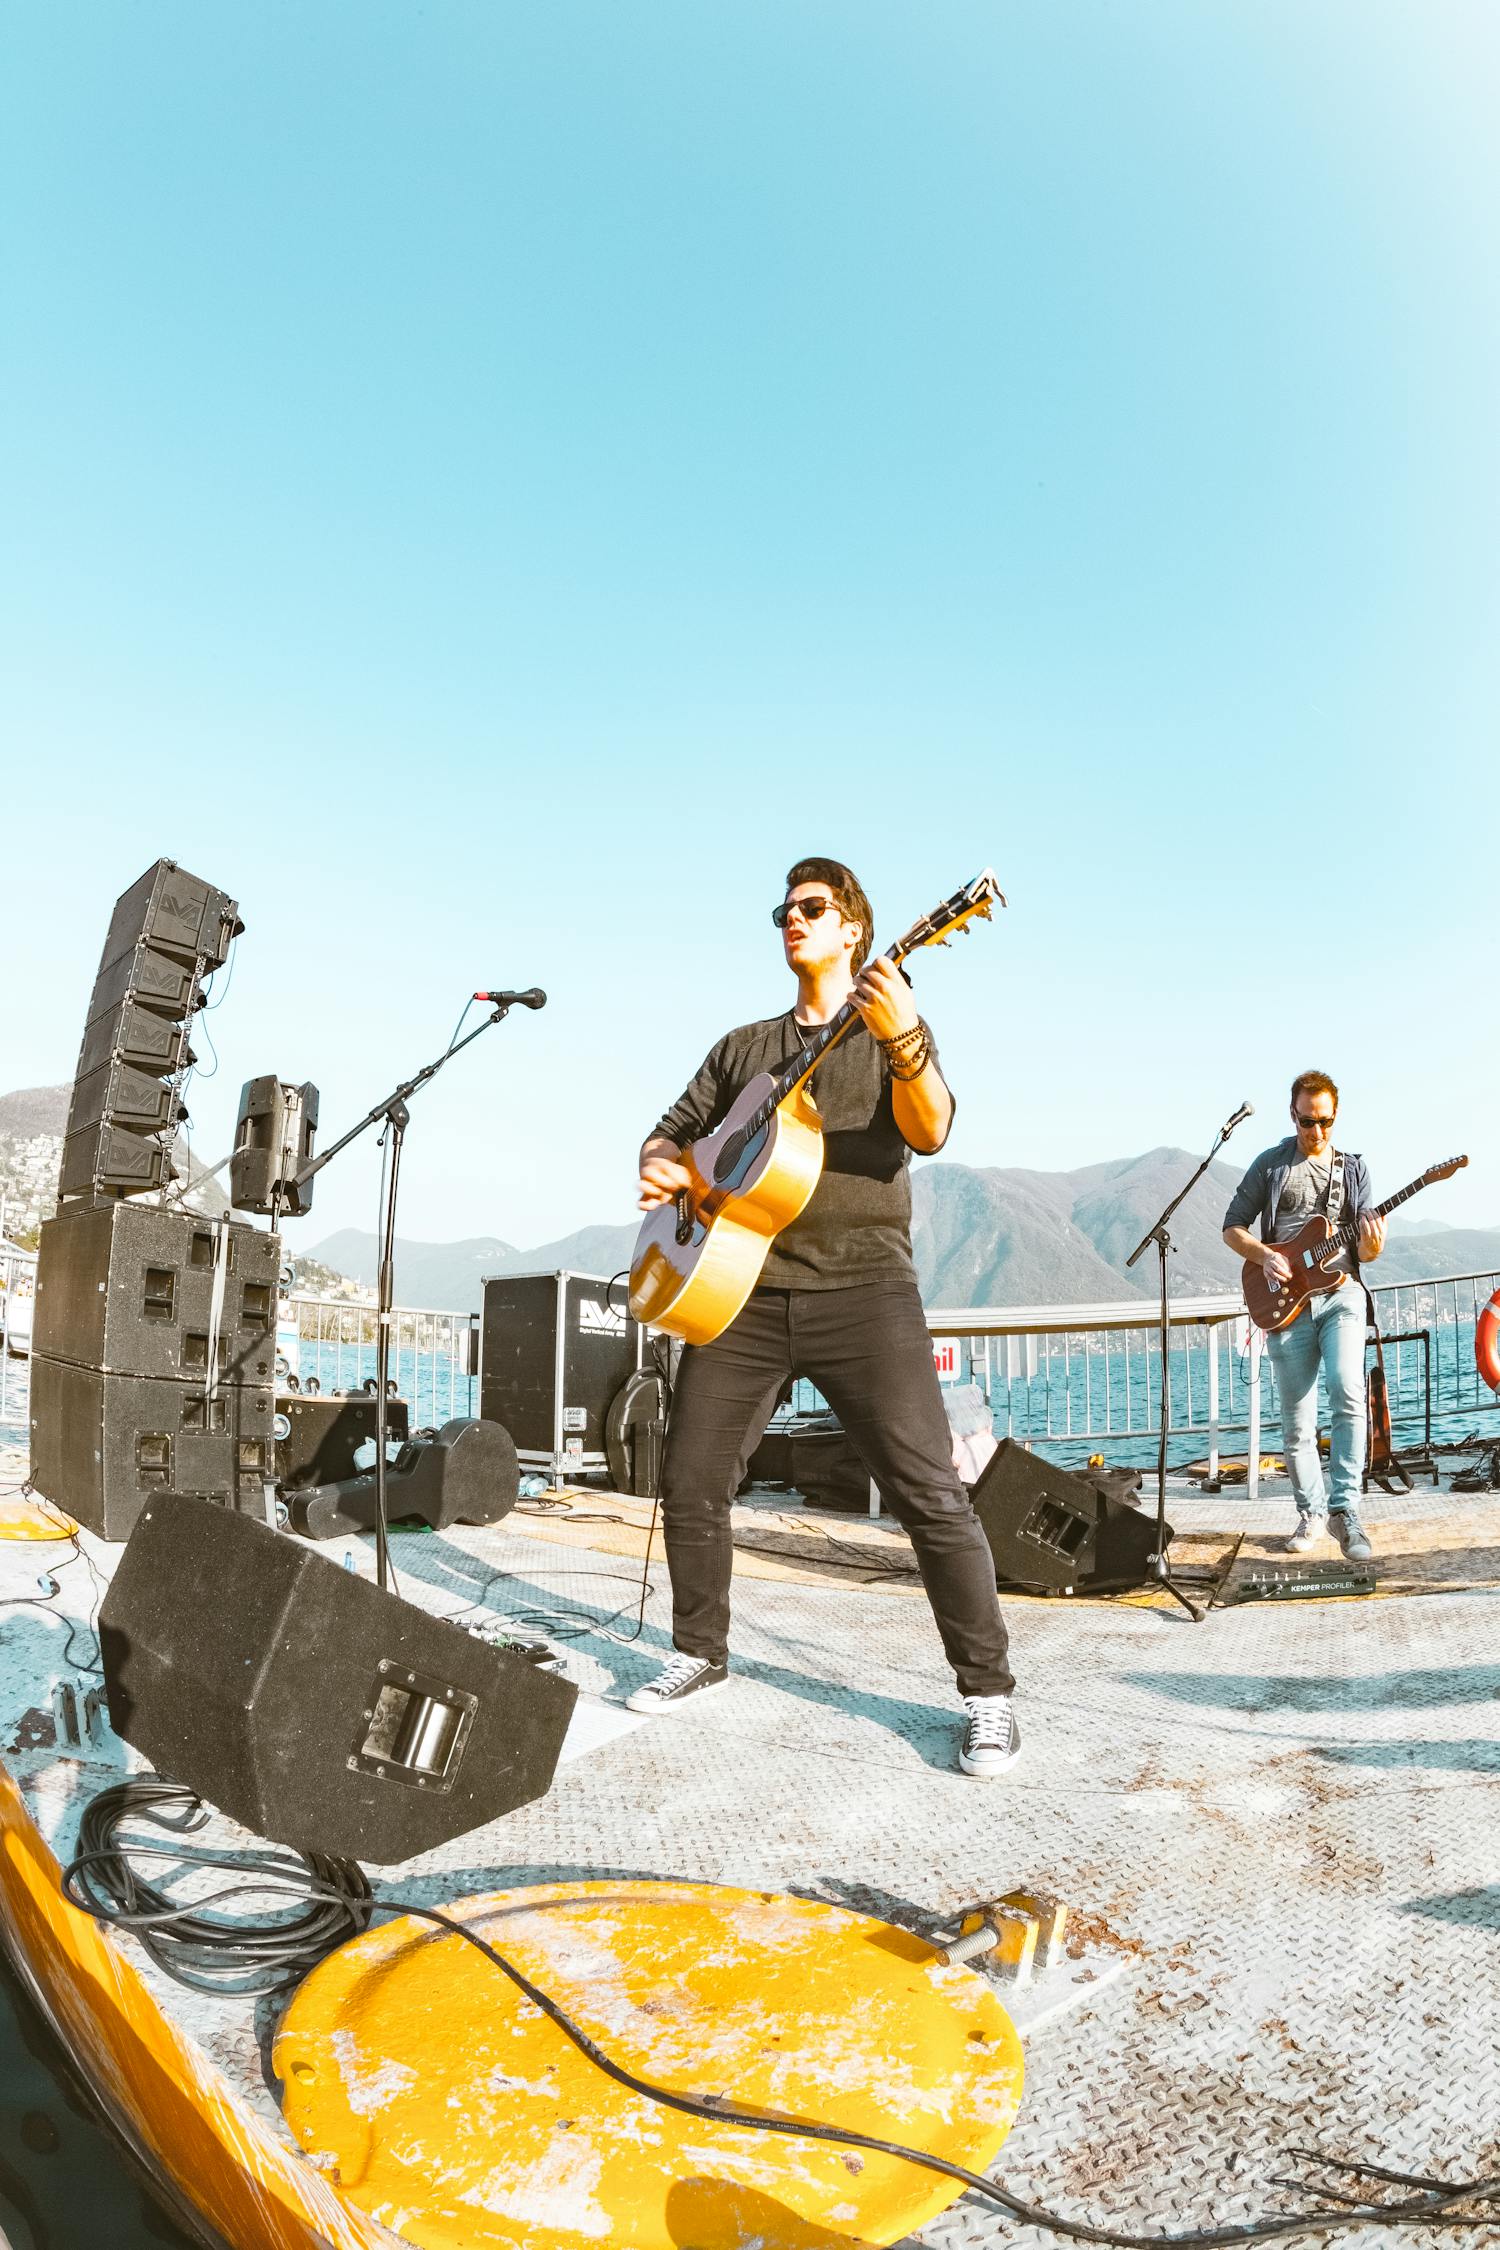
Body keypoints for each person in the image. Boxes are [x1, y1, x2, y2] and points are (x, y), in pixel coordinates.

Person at [626, 856, 1020, 1777]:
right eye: (783, 911)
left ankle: (989, 1696)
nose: (792, 920)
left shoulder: (888, 1026)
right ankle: (698, 1653)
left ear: (854, 929)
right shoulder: (742, 1049)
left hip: (866, 1290)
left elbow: (932, 1129)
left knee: (929, 1493)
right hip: (742, 1288)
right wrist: (663, 1166)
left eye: (812, 907)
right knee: (691, 1478)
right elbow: (670, 1131)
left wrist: (906, 1038)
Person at [1221, 1071, 1386, 1561]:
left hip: (1341, 1295)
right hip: (1286, 1303)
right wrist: (1264, 1255)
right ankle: (1311, 1512)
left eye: (1326, 1121)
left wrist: (1374, 1246)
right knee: (1297, 1424)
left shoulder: (1352, 1170)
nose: (1317, 1131)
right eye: (1307, 1121)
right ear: (1292, 1115)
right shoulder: (1271, 1166)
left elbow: (1366, 1251)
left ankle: (1346, 1510)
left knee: (1347, 1389)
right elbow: (1232, 1228)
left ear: (1336, 1116)